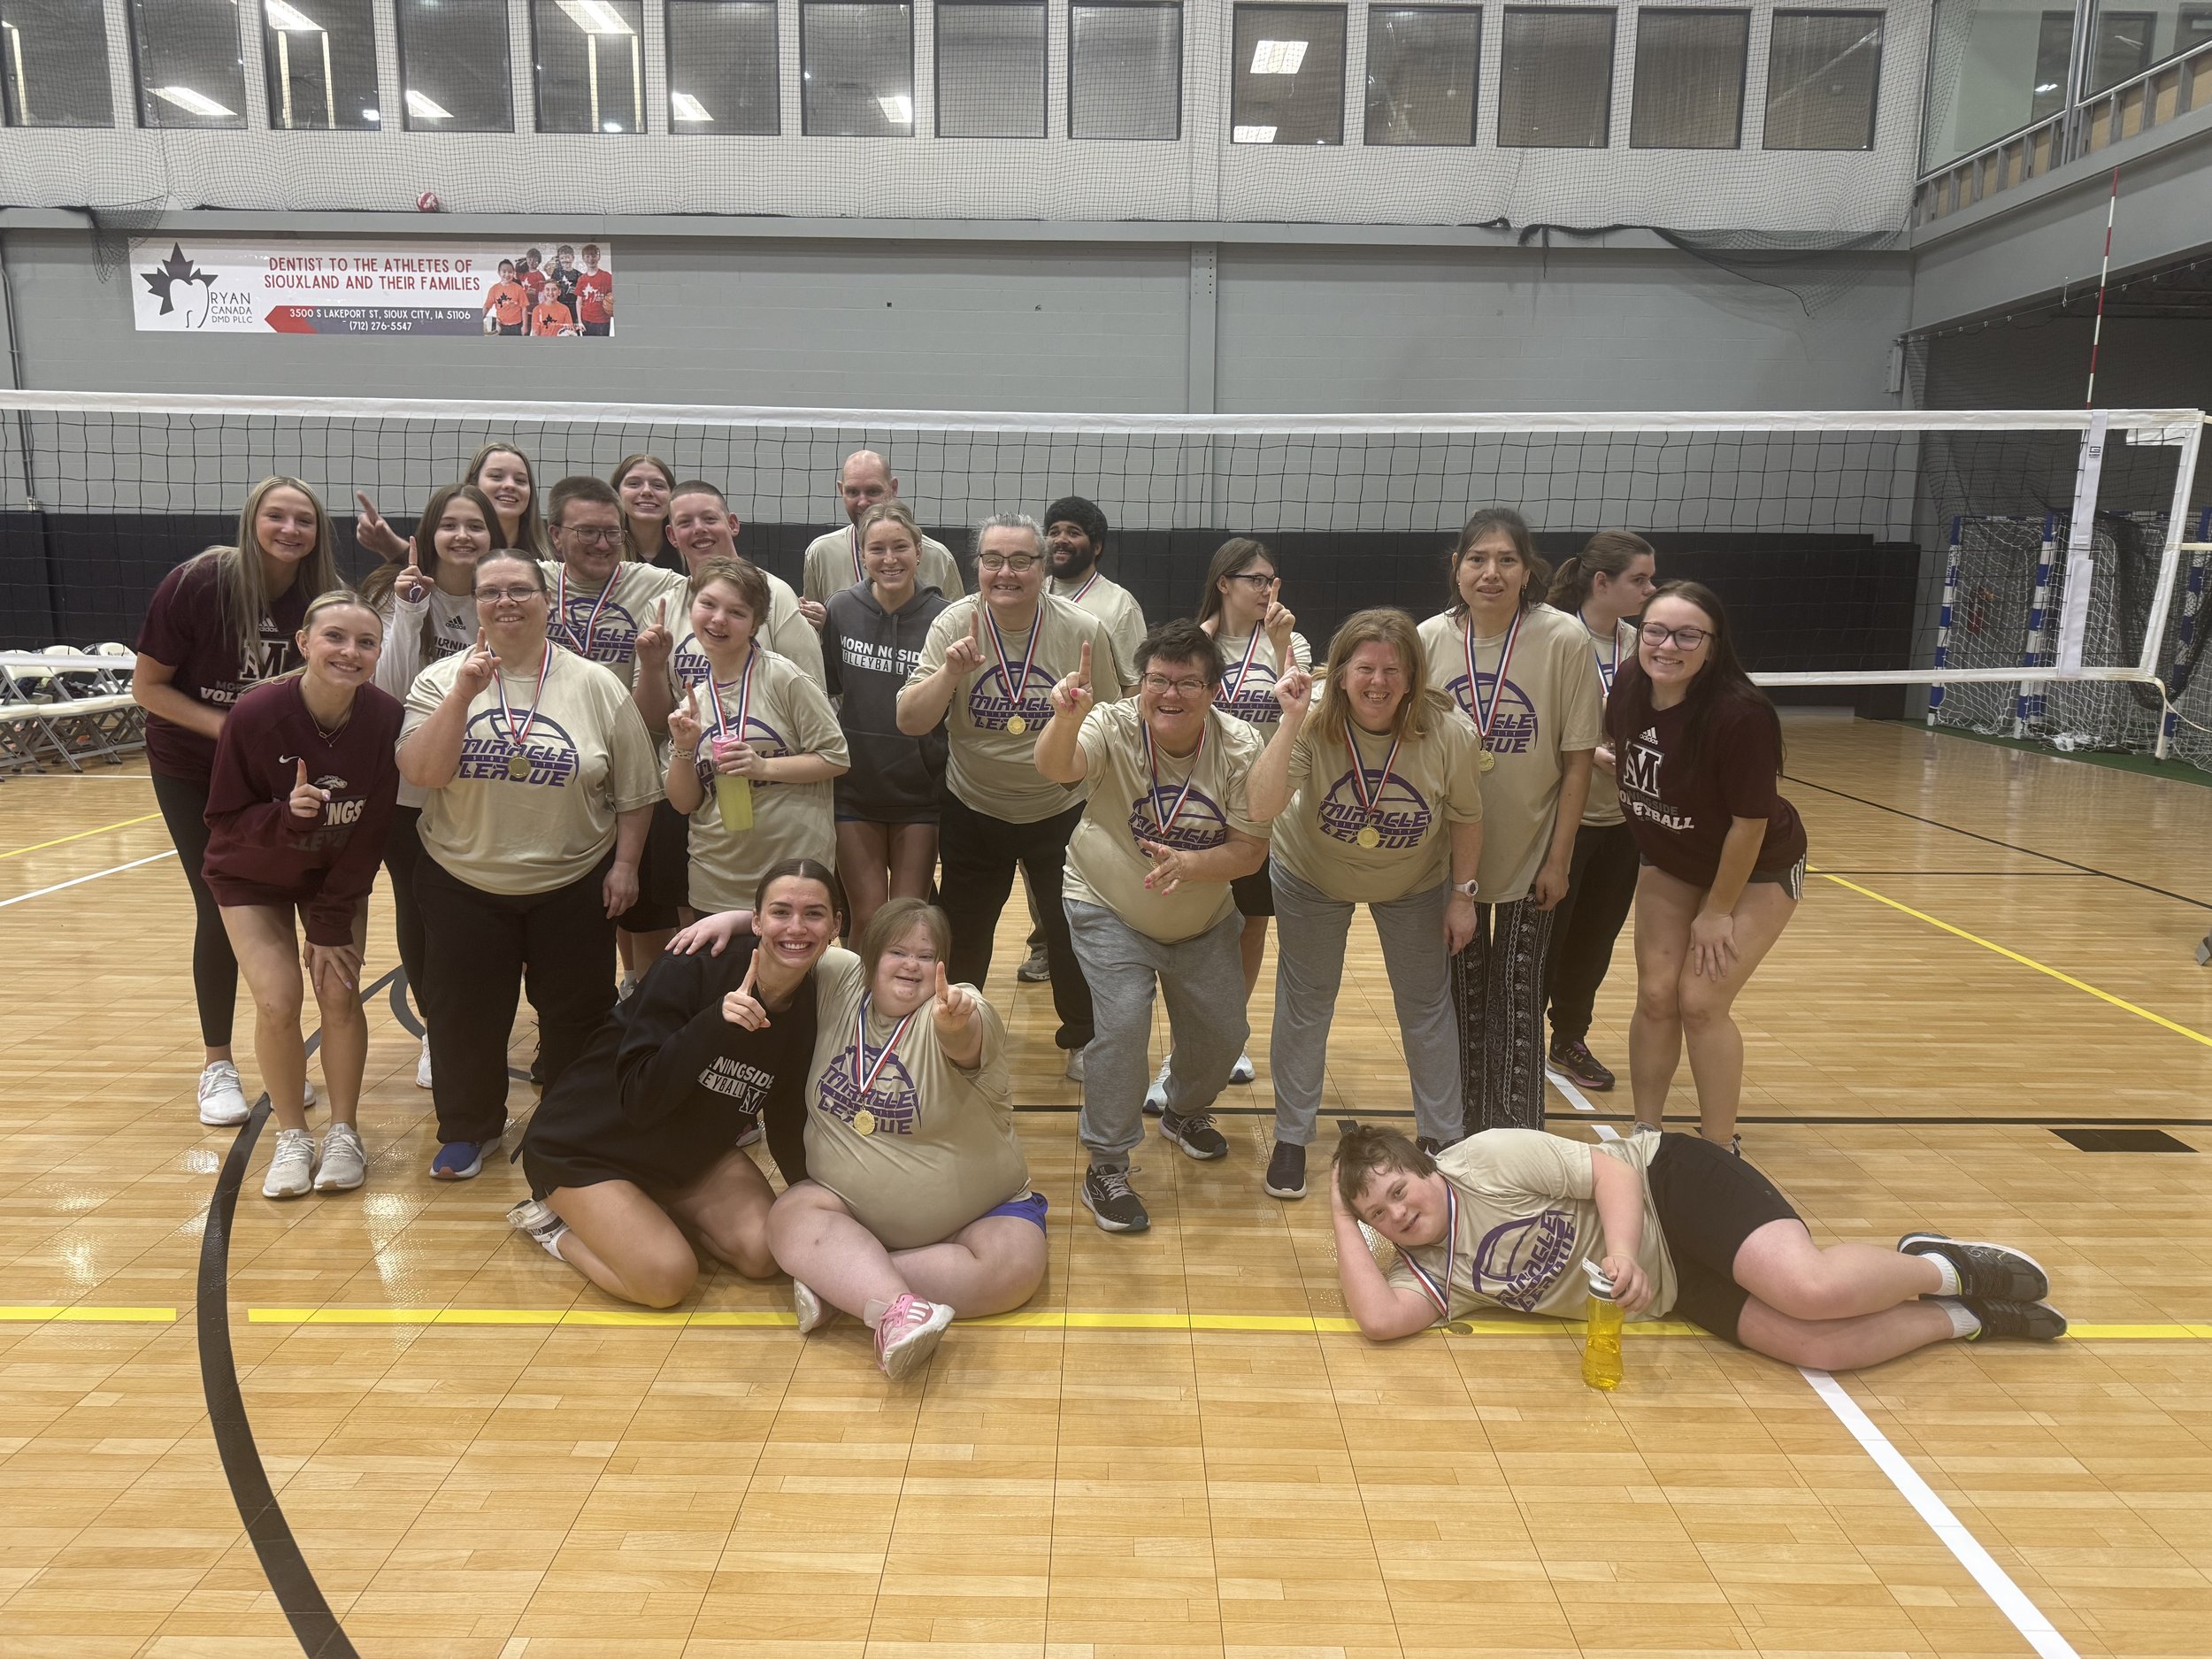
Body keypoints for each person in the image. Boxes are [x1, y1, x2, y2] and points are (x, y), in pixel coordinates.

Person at [1331, 1125, 2066, 1359]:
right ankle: (1973, 1319)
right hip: (1672, 1283)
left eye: (1400, 1190)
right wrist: (1341, 1211)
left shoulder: (1486, 1158)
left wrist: (1619, 1254)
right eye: (1379, 1215)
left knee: (1808, 1289)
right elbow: (1379, 1321)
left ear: (1426, 1168)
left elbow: (1611, 1172)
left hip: (1665, 1186)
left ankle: (1948, 1264)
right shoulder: (1434, 1268)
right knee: (1819, 1348)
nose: (1398, 1214)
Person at [397, 552, 662, 1179]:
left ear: (548, 601)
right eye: (491, 591)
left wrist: (625, 865)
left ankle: (565, 1124)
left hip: (570, 880)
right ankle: (469, 1129)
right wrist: (465, 691)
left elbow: (636, 790)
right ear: (477, 603)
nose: (505, 600)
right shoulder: (439, 679)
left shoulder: (596, 682)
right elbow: (423, 773)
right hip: (463, 877)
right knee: (463, 1011)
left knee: (577, 1014)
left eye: (520, 589)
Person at [506, 861, 842, 1306]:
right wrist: (713, 1025)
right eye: (781, 912)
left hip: (687, 1151)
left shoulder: (818, 997)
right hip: (590, 1144)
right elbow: (641, 1100)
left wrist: (809, 1205)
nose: (796, 927)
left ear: (837, 925)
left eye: (814, 914)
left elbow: (786, 1114)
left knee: (767, 1251)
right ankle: (552, 1226)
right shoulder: (693, 965)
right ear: (757, 920)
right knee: (666, 1280)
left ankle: (645, 1215)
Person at [1037, 620, 1272, 1233]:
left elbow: (1250, 851)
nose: (1171, 694)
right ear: (1142, 684)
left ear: (1214, 689)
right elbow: (1055, 768)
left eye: (1188, 682)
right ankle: (1107, 1163)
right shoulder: (1113, 723)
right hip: (1106, 903)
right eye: (1159, 680)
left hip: (1202, 916)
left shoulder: (1243, 746)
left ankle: (1184, 1110)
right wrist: (1064, 716)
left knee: (1225, 1033)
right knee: (1122, 1025)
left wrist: (1193, 865)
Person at [1246, 609, 1483, 1199]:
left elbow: (1467, 816)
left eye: (1391, 670)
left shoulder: (1449, 732)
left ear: (1411, 676)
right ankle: (1293, 1137)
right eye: (1365, 669)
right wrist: (1290, 720)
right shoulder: (1313, 718)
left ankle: (1442, 1139)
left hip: (1413, 881)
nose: (1377, 682)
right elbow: (1262, 806)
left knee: (1426, 1006)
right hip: (1311, 875)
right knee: (1306, 1004)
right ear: (1342, 672)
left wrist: (1463, 895)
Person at [134, 477, 344, 1126]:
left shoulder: (320, 597)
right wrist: (235, 727)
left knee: (282, 900)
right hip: (194, 766)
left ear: (318, 532)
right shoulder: (199, 582)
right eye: (276, 516)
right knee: (220, 899)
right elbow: (148, 688)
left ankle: (280, 1055)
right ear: (252, 520)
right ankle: (217, 1062)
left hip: (273, 773)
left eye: (303, 519)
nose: (289, 529)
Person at [767, 899, 1045, 1379]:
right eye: (898, 952)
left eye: (926, 955)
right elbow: (794, 938)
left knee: (1015, 1269)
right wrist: (732, 919)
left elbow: (967, 1035)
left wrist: (956, 1023)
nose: (912, 965)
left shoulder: (957, 1006)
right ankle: (898, 1307)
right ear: (870, 958)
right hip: (844, 1208)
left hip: (978, 1216)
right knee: (788, 1217)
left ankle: (845, 1283)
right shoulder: (842, 981)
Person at [896, 514, 1126, 1077]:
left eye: (1021, 561)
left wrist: (1079, 724)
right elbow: (908, 720)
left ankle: (1082, 1040)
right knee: (965, 934)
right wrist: (948, 676)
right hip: (974, 806)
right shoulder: (954, 622)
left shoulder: (1081, 629)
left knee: (1072, 930)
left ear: (1044, 570)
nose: (1006, 572)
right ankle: (956, 1032)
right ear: (977, 567)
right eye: (993, 560)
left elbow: (1119, 722)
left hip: (1061, 808)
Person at [204, 590, 402, 1197]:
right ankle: (292, 1134)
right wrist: (287, 815)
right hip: (252, 874)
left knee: (338, 994)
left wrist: (334, 916)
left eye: (366, 642)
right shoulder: (257, 714)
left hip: (332, 877)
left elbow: (372, 832)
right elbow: (223, 818)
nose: (350, 651)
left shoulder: (386, 719)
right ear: (305, 644)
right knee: (278, 1001)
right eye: (335, 637)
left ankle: (344, 1130)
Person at [1418, 508, 1599, 1138]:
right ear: (1456, 568)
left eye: (1506, 560)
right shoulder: (1426, 639)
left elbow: (1578, 763)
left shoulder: (1564, 638)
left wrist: (1559, 859)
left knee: (1518, 1000)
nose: (1490, 573)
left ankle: (1516, 1137)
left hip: (1530, 853)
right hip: (1448, 861)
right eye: (1477, 559)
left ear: (1528, 571)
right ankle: (1458, 1131)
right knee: (1458, 1002)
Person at [1609, 582, 1808, 1151]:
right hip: (1672, 858)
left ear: (1712, 646)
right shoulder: (1629, 684)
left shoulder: (1739, 716)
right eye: (1655, 631)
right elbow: (1636, 758)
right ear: (1639, 635)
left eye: (1687, 635)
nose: (1667, 646)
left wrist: (1717, 911)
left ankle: (1720, 1147)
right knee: (1655, 995)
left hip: (1758, 867)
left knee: (1699, 1001)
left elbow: (1749, 825)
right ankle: (1645, 1135)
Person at [361, 481, 506, 1089]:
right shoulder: (392, 594)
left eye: (476, 525)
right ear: (429, 533)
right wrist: (411, 610)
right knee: (419, 909)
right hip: (410, 785)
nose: (463, 536)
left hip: (481, 786)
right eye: (451, 524)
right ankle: (437, 1031)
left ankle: (479, 1023)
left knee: (480, 914)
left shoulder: (506, 594)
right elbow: (386, 693)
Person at [539, 475, 692, 986]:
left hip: (633, 770)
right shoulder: (530, 581)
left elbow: (719, 578)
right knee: (569, 916)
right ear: (555, 534)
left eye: (613, 532)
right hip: (554, 770)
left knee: (643, 907)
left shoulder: (657, 583)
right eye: (588, 533)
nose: (604, 544)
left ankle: (638, 998)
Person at [1187, 535, 1310, 1095]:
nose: (1265, 589)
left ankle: (1230, 1036)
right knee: (1198, 930)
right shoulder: (1195, 644)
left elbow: (1301, 715)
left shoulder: (1292, 641)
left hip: (1263, 812)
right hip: (1200, 805)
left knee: (1251, 926)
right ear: (1224, 584)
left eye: (1270, 579)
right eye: (1254, 579)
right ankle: (1190, 1045)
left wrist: (1283, 644)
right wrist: (1202, 638)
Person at [664, 557, 849, 916]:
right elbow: (685, 804)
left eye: (736, 612)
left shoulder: (785, 679)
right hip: (715, 880)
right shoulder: (694, 699)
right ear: (692, 609)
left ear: (754, 625)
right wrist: (683, 751)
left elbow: (837, 757)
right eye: (708, 604)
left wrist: (761, 768)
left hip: (792, 881)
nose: (719, 619)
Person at [1540, 533, 1657, 1092]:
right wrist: (1592, 755)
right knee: (1547, 933)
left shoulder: (1643, 643)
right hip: (1560, 814)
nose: (1650, 589)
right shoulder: (1555, 637)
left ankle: (1569, 1038)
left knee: (1595, 935)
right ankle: (1515, 1036)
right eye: (1639, 579)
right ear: (1601, 582)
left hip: (1623, 816)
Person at [821, 502, 952, 935]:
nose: (889, 558)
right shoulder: (841, 609)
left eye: (900, 547)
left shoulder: (945, 617)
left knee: (907, 917)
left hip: (919, 789)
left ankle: (908, 1005)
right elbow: (835, 687)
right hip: (855, 788)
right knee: (867, 917)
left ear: (919, 551)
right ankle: (860, 1005)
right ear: (862, 555)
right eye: (877, 549)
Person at [654, 480, 826, 684]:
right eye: (685, 522)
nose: (699, 528)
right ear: (672, 536)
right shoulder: (667, 605)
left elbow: (812, 688)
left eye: (710, 519)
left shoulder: (775, 593)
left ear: (733, 524)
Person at [798, 449, 964, 623]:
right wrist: (824, 624)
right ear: (841, 490)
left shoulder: (939, 558)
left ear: (893, 488)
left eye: (873, 491)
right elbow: (810, 635)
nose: (863, 502)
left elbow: (959, 625)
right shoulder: (820, 553)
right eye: (853, 492)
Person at [355, 440, 549, 562]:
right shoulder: (446, 546)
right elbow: (426, 571)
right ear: (473, 485)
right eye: (497, 477)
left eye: (521, 480)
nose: (510, 485)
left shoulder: (546, 561)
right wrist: (391, 547)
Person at [610, 453, 675, 567]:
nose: (647, 491)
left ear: (672, 496)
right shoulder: (604, 551)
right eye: (634, 484)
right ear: (616, 494)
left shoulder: (688, 551)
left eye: (658, 485)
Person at [573, 243, 613, 336]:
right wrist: (580, 322)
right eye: (587, 256)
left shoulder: (607, 276)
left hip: (603, 320)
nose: (591, 259)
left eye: (594, 256)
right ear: (583, 258)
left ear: (598, 257)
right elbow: (578, 302)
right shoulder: (582, 279)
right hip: (586, 320)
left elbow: (614, 297)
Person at [482, 260, 527, 335]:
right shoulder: (494, 289)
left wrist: (524, 326)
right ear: (499, 272)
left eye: (510, 272)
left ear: (514, 273)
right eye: (504, 271)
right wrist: (478, 321)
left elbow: (524, 308)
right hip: (501, 326)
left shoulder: (518, 288)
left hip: (517, 326)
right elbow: (487, 306)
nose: (507, 275)